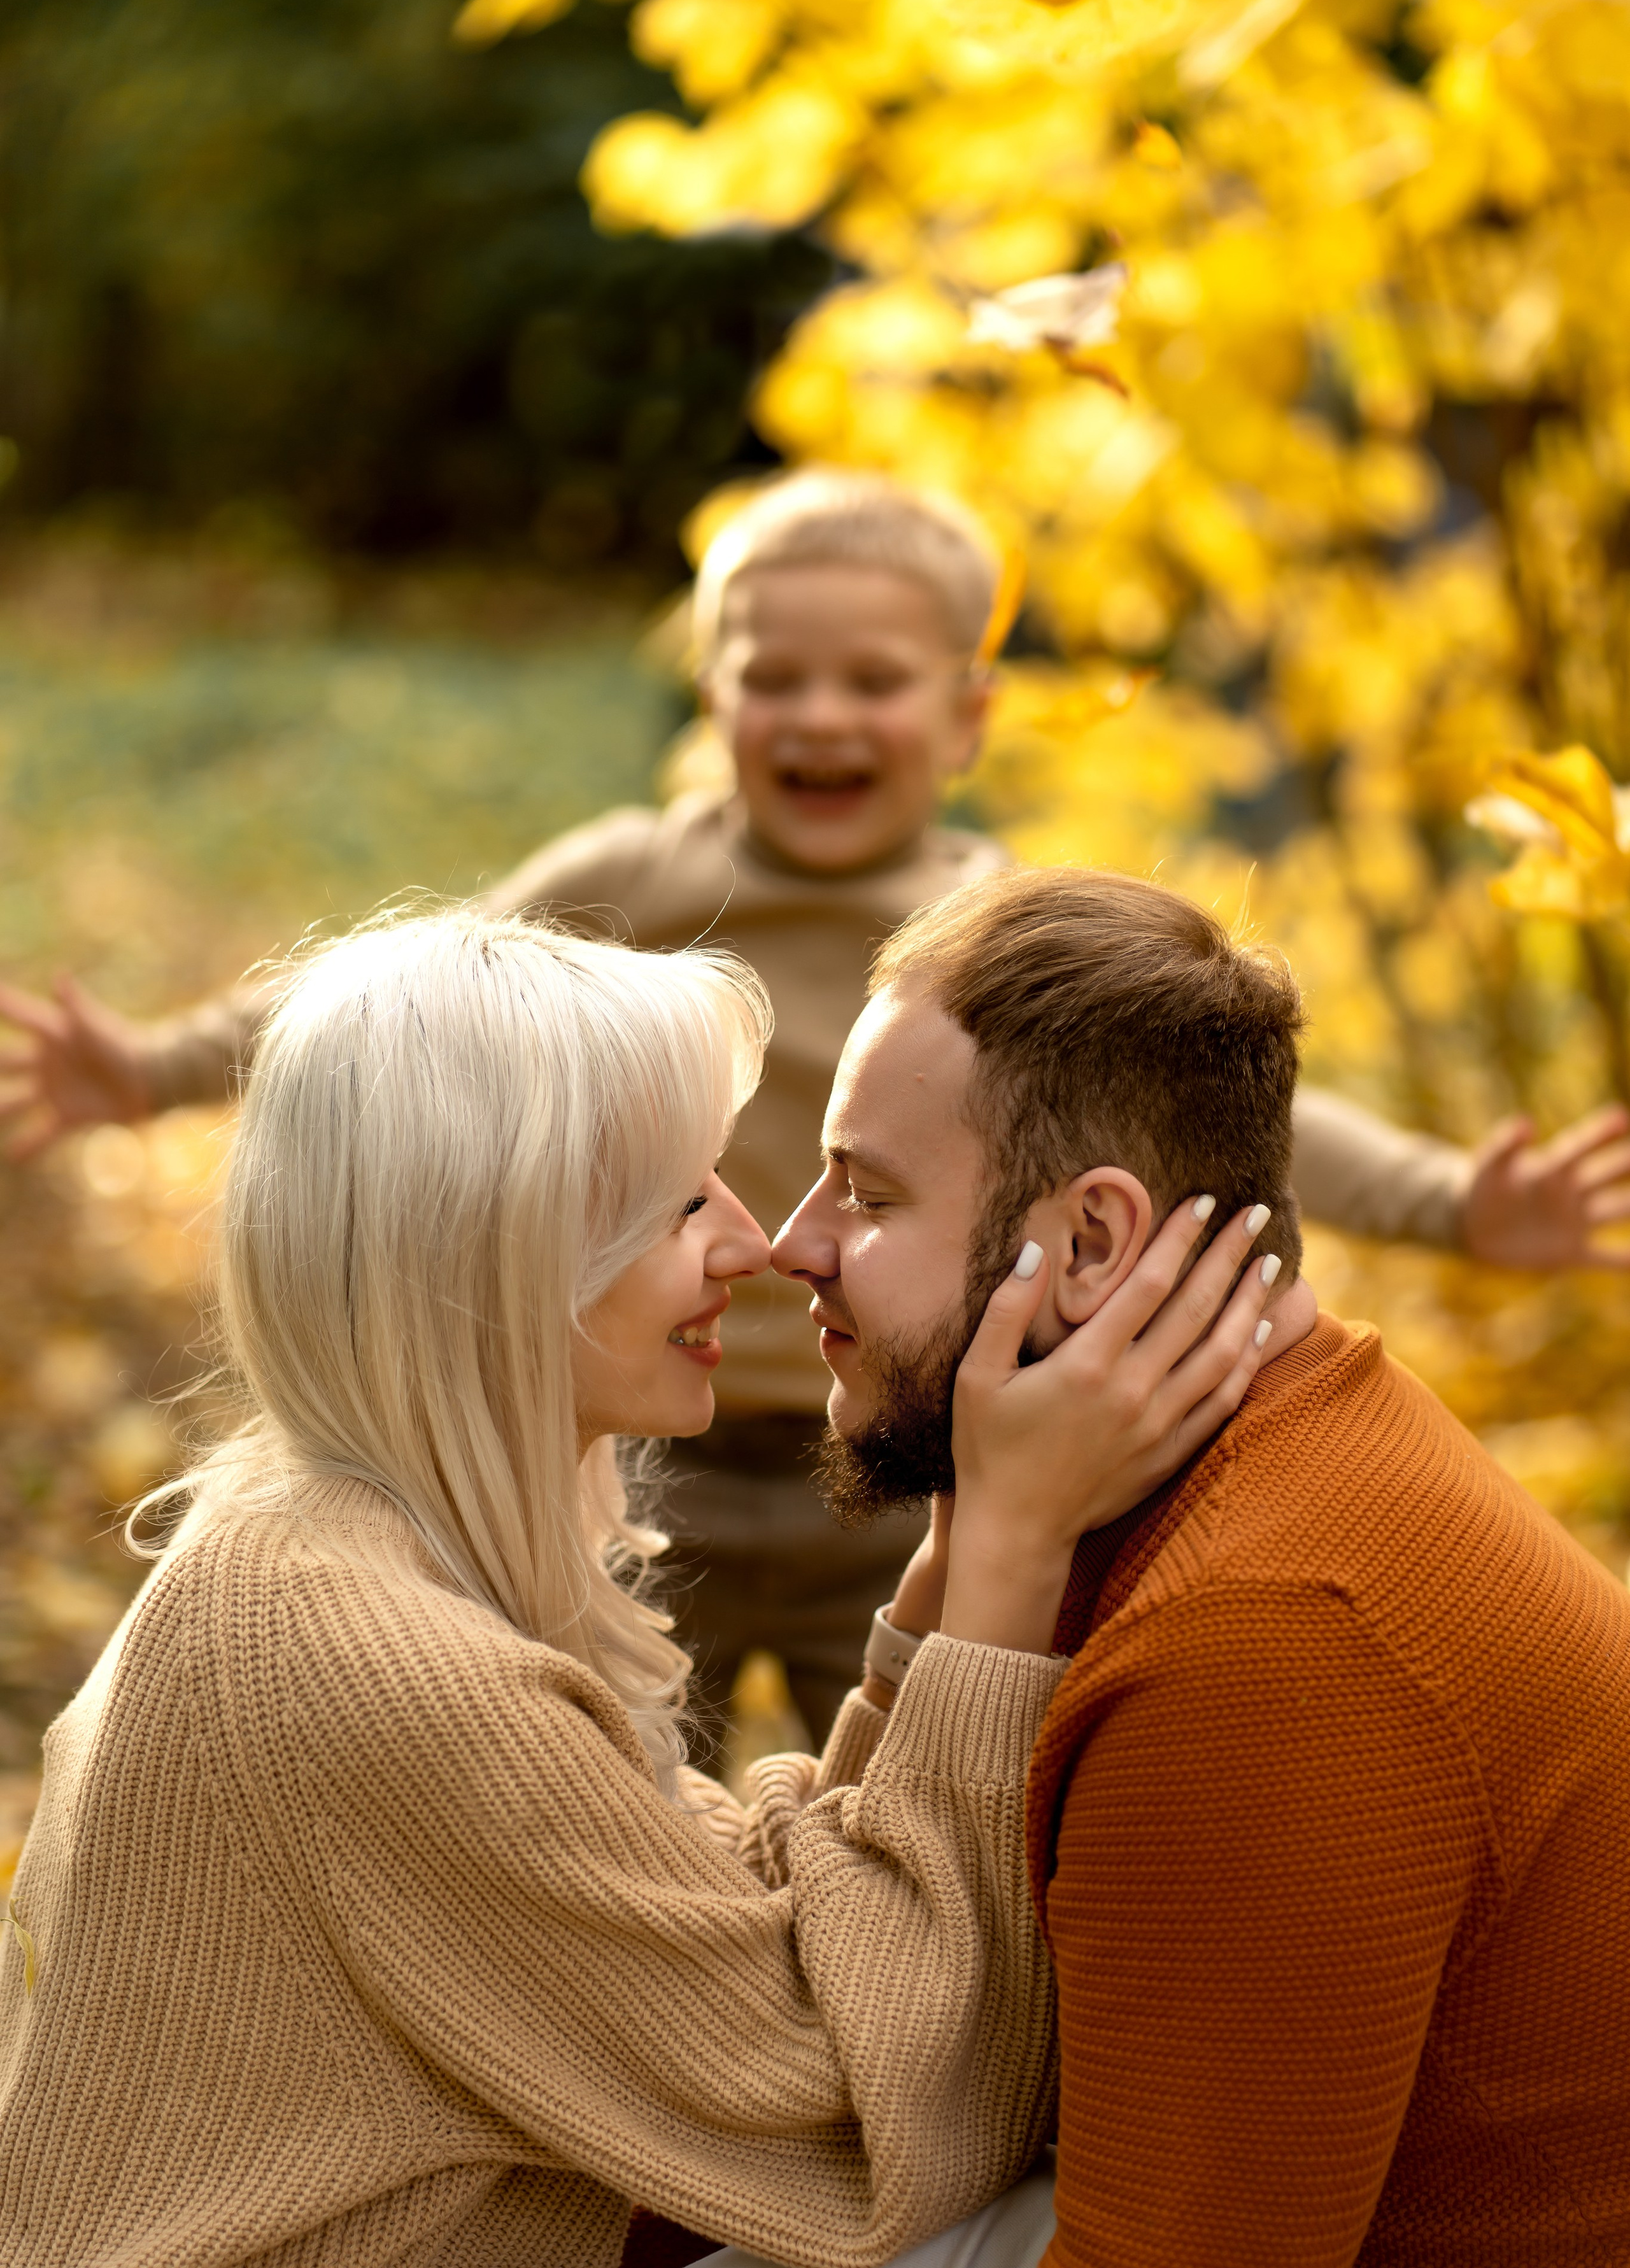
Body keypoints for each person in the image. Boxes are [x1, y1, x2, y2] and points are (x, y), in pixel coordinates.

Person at [4, 474, 1629, 1762]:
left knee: (929, 1730)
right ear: (710, 697)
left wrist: (1451, 1206)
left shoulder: (994, 930)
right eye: (771, 679)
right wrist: (142, 1071)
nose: (819, 718)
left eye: (872, 681)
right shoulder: (634, 878)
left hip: (898, 1447)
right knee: (639, 1759)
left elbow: (1208, 1112)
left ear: (968, 716)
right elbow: (396, 1016)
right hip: (665, 1449)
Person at [0, 905, 1277, 2268]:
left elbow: (727, 1934)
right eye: (682, 1203)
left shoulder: (323, 1548)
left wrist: (941, 1571)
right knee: (1032, 2244)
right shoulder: (369, 1665)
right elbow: (873, 2127)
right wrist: (1008, 1560)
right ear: (506, 1255)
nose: (751, 1241)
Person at [490, 866, 1630, 2268]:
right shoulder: (1201, 1486)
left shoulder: (1268, 1649)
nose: (795, 1249)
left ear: (1089, 1242)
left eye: (869, 1196)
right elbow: (857, 2026)